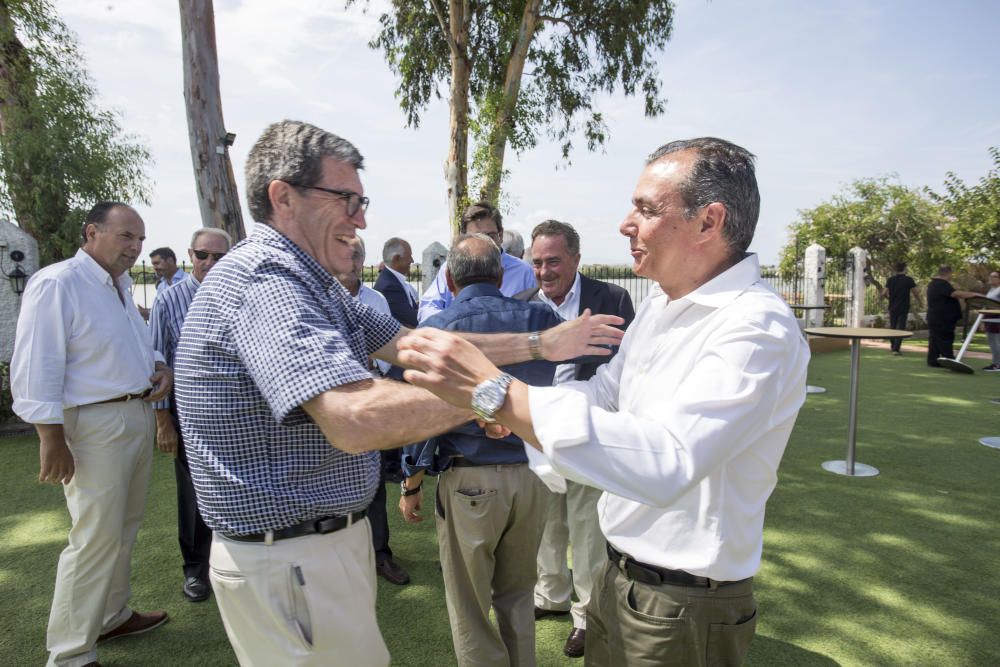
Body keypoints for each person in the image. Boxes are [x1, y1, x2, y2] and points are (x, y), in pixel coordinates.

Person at [172, 119, 624, 667]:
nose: (361, 219)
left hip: (314, 547)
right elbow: (354, 417)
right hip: (288, 555)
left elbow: (421, 344)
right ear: (283, 197)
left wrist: (539, 343)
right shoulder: (266, 278)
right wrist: (494, 397)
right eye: (345, 199)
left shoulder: (310, 282)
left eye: (363, 201)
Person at [398, 137, 812, 667]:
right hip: (617, 579)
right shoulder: (664, 308)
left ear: (709, 221)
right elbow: (602, 394)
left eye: (646, 208)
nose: (624, 223)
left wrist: (502, 394)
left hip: (681, 602)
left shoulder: (757, 326)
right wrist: (518, 413)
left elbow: (669, 460)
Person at [11, 202, 174, 667]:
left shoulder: (119, 286)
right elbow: (37, 364)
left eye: (140, 239)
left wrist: (158, 366)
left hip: (133, 415)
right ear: (92, 232)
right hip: (92, 425)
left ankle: (111, 615)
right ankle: (69, 654)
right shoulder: (58, 283)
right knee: (94, 538)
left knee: (123, 527)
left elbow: (130, 346)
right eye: (126, 236)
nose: (136, 248)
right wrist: (51, 437)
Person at [400, 234, 561, 667]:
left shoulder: (439, 331)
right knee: (518, 595)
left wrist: (411, 482)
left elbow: (420, 418)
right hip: (532, 476)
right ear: (501, 272)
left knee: (470, 607)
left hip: (470, 478)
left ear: (449, 279)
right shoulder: (541, 317)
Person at [515, 220, 634, 659]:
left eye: (554, 261)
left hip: (588, 428)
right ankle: (551, 594)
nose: (544, 271)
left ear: (577, 260)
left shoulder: (613, 297)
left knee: (587, 529)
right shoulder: (523, 304)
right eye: (537, 262)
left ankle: (587, 615)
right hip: (538, 431)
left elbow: (625, 364)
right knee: (546, 522)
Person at [149, 227, 232, 603]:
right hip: (190, 417)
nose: (211, 263)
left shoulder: (241, 297)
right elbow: (157, 363)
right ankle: (196, 570)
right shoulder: (169, 301)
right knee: (194, 495)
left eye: (219, 257)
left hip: (236, 417)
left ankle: (230, 563)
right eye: (203, 255)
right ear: (190, 255)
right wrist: (163, 420)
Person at [336, 236, 410, 585]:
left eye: (356, 256)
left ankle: (380, 555)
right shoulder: (317, 300)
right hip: (333, 405)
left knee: (373, 481)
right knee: (334, 481)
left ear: (364, 261)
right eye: (344, 255)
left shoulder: (376, 300)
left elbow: (394, 348)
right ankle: (342, 557)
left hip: (371, 398)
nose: (350, 262)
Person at [417, 202, 536, 322]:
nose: (484, 243)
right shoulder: (450, 267)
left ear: (500, 234)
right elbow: (428, 307)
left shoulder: (524, 272)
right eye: (476, 237)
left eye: (490, 236)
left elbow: (533, 314)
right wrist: (448, 326)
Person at [926, 265, 984, 367]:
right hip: (941, 318)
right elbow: (955, 294)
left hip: (937, 317)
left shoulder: (934, 284)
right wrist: (974, 294)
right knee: (945, 338)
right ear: (948, 273)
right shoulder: (941, 284)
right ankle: (949, 359)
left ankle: (933, 360)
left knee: (935, 339)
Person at [374, 237, 419, 328]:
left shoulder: (394, 280)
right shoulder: (390, 287)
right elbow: (414, 320)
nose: (412, 261)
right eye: (409, 256)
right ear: (396, 259)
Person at [882, 262, 920, 355]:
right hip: (903, 307)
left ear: (895, 269)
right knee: (900, 328)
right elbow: (915, 292)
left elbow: (883, 293)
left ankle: (893, 346)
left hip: (892, 307)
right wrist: (919, 301)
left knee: (893, 327)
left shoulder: (890, 280)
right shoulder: (908, 280)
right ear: (904, 269)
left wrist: (888, 298)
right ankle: (896, 349)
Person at [982, 270, 1000, 372]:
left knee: (996, 342)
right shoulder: (991, 290)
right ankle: (995, 363)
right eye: (990, 276)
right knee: (992, 342)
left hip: (997, 319)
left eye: (994, 276)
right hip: (988, 318)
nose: (991, 278)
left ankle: (998, 364)